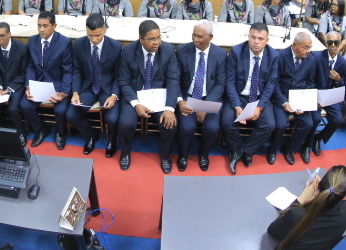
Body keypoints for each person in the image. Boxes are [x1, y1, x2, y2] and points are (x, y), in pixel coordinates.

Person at [258, 166, 346, 250]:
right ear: (345, 195)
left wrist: (301, 199)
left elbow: (273, 231)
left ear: (320, 185)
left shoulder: (298, 215)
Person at [117, 20, 180, 172]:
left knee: (170, 124)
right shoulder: (128, 51)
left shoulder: (168, 50)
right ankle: (125, 153)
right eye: (151, 39)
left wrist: (170, 108)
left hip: (159, 96)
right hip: (136, 95)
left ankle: (165, 156)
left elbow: (173, 80)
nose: (157, 42)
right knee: (125, 123)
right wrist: (136, 104)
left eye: (159, 37)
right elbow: (124, 82)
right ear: (141, 38)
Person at [222, 22, 279, 173]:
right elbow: (229, 82)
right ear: (248, 36)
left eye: (261, 39)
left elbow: (270, 85)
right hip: (239, 95)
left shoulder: (273, 55)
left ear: (267, 40)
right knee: (227, 122)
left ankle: (243, 150)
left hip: (259, 98)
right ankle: (239, 148)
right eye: (253, 37)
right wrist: (236, 106)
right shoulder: (236, 51)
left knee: (269, 125)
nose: (256, 42)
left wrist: (259, 107)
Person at [66, 14, 123, 156]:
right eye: (90, 35)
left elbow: (118, 75)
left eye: (98, 35)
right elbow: (77, 70)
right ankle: (91, 135)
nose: (94, 39)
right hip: (88, 86)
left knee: (112, 118)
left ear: (105, 30)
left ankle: (111, 141)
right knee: (71, 115)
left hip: (107, 88)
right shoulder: (79, 43)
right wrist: (75, 92)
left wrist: (114, 95)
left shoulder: (116, 47)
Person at [176, 20, 227, 171]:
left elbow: (220, 84)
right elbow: (174, 79)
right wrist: (180, 100)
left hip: (209, 98)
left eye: (200, 36)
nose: (195, 39)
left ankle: (204, 154)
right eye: (194, 35)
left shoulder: (220, 54)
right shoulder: (182, 50)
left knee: (212, 128)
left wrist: (205, 106)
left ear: (210, 37)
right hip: (188, 97)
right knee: (187, 128)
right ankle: (183, 155)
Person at [20, 12, 73, 149]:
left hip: (57, 85)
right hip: (38, 84)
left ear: (54, 26)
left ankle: (60, 133)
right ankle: (41, 129)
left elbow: (67, 70)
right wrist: (28, 86)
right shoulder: (33, 41)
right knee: (24, 105)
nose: (41, 29)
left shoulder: (64, 43)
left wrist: (64, 92)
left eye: (45, 26)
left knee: (61, 111)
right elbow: (30, 65)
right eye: (39, 26)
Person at [270, 32, 317, 165]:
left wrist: (305, 103)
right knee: (280, 125)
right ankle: (272, 150)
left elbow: (310, 83)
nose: (308, 51)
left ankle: (289, 148)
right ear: (295, 45)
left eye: (310, 47)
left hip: (300, 98)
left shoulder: (311, 60)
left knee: (308, 124)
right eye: (305, 47)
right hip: (282, 97)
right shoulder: (280, 56)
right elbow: (274, 83)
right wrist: (283, 102)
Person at [0, 22, 28, 137]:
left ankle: (21, 133)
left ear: (9, 34)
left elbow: (23, 74)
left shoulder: (22, 48)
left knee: (13, 109)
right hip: (1, 84)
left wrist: (10, 88)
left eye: (2, 36)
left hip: (16, 85)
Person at [310, 32, 346, 157]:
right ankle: (308, 141)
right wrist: (314, 96)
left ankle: (318, 138)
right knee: (315, 118)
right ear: (326, 43)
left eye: (336, 43)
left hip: (330, 95)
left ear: (340, 44)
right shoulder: (316, 57)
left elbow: (342, 84)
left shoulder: (342, 62)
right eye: (330, 42)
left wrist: (338, 80)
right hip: (315, 94)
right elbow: (310, 79)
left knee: (337, 120)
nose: (333, 45)